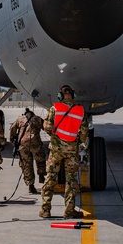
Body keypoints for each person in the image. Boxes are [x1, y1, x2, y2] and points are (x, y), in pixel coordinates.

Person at [40, 84, 88, 219]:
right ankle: (69, 210)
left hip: (56, 150)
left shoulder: (55, 108)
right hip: (72, 151)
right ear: (73, 95)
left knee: (50, 177)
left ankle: (45, 210)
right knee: (71, 180)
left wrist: (56, 137)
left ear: (60, 96)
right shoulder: (80, 111)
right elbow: (84, 132)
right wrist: (78, 142)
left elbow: (47, 127)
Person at [10, 107, 47, 194]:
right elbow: (46, 127)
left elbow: (12, 129)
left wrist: (12, 139)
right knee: (40, 159)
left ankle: (31, 185)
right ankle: (41, 175)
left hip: (23, 145)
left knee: (26, 165)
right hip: (36, 143)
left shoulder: (20, 119)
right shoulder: (37, 119)